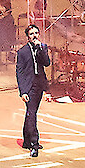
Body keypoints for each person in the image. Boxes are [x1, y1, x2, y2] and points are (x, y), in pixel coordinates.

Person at [16, 23, 50, 158]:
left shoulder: (43, 47)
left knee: (31, 113)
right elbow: (19, 72)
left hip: (39, 85)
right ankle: (34, 144)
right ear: (27, 37)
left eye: (36, 33)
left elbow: (46, 63)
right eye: (31, 34)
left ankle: (26, 141)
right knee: (32, 113)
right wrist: (23, 91)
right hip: (29, 86)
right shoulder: (22, 52)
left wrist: (40, 49)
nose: (34, 36)